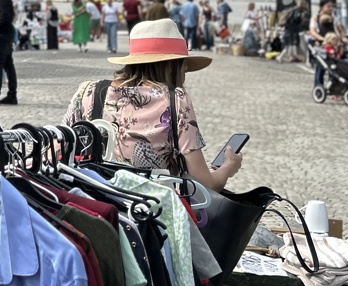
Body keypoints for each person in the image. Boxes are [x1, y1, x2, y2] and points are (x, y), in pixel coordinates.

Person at [61, 19, 243, 191]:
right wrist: (228, 167)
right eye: (184, 65)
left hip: (92, 203)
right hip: (149, 213)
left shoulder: (88, 91)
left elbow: (53, 152)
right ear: (174, 66)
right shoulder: (176, 100)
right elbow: (205, 184)